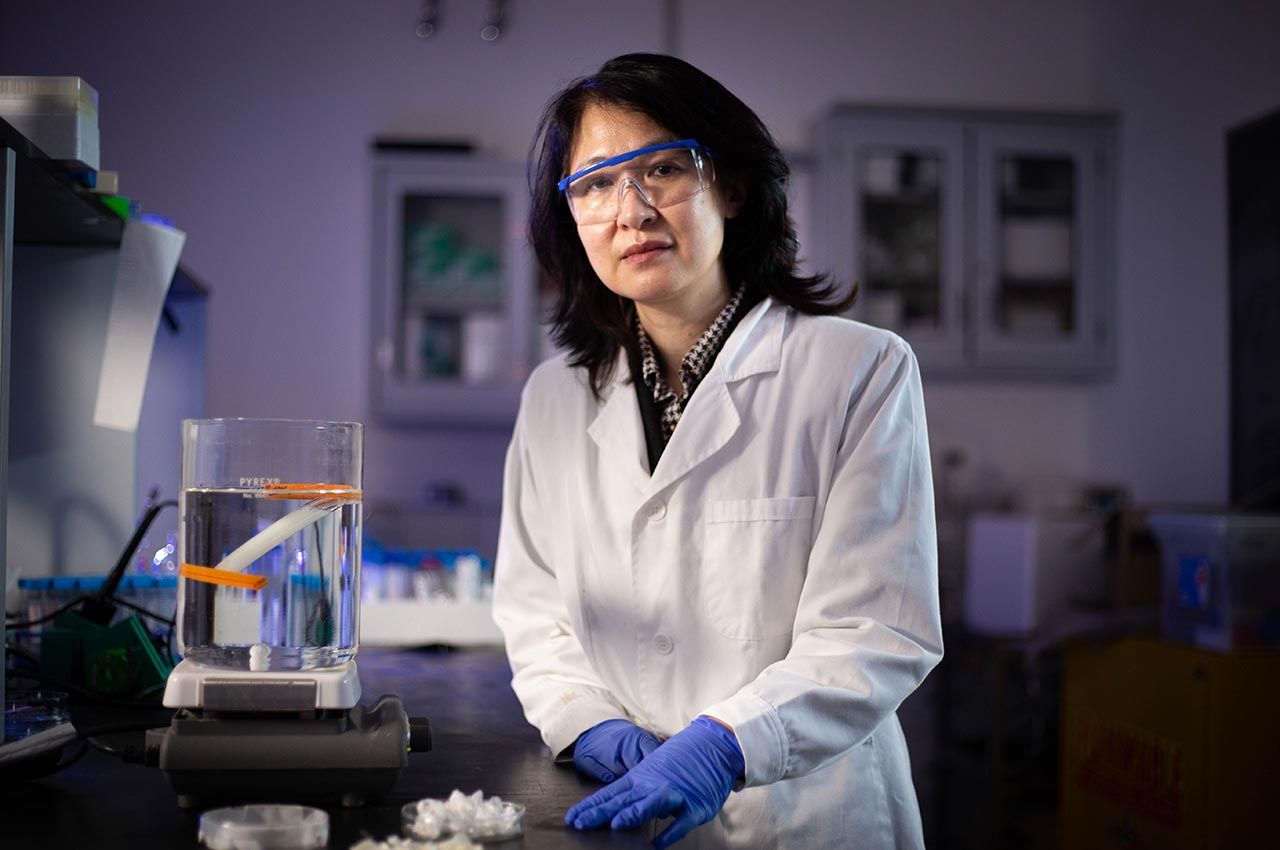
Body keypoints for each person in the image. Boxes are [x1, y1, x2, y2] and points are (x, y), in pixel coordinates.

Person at [492, 52, 943, 849]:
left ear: (731, 187)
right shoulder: (553, 399)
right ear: (571, 218)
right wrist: (588, 724)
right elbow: (535, 617)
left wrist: (727, 745)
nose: (629, 210)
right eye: (594, 184)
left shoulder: (857, 370)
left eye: (662, 168)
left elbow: (877, 630)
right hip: (624, 804)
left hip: (811, 818)